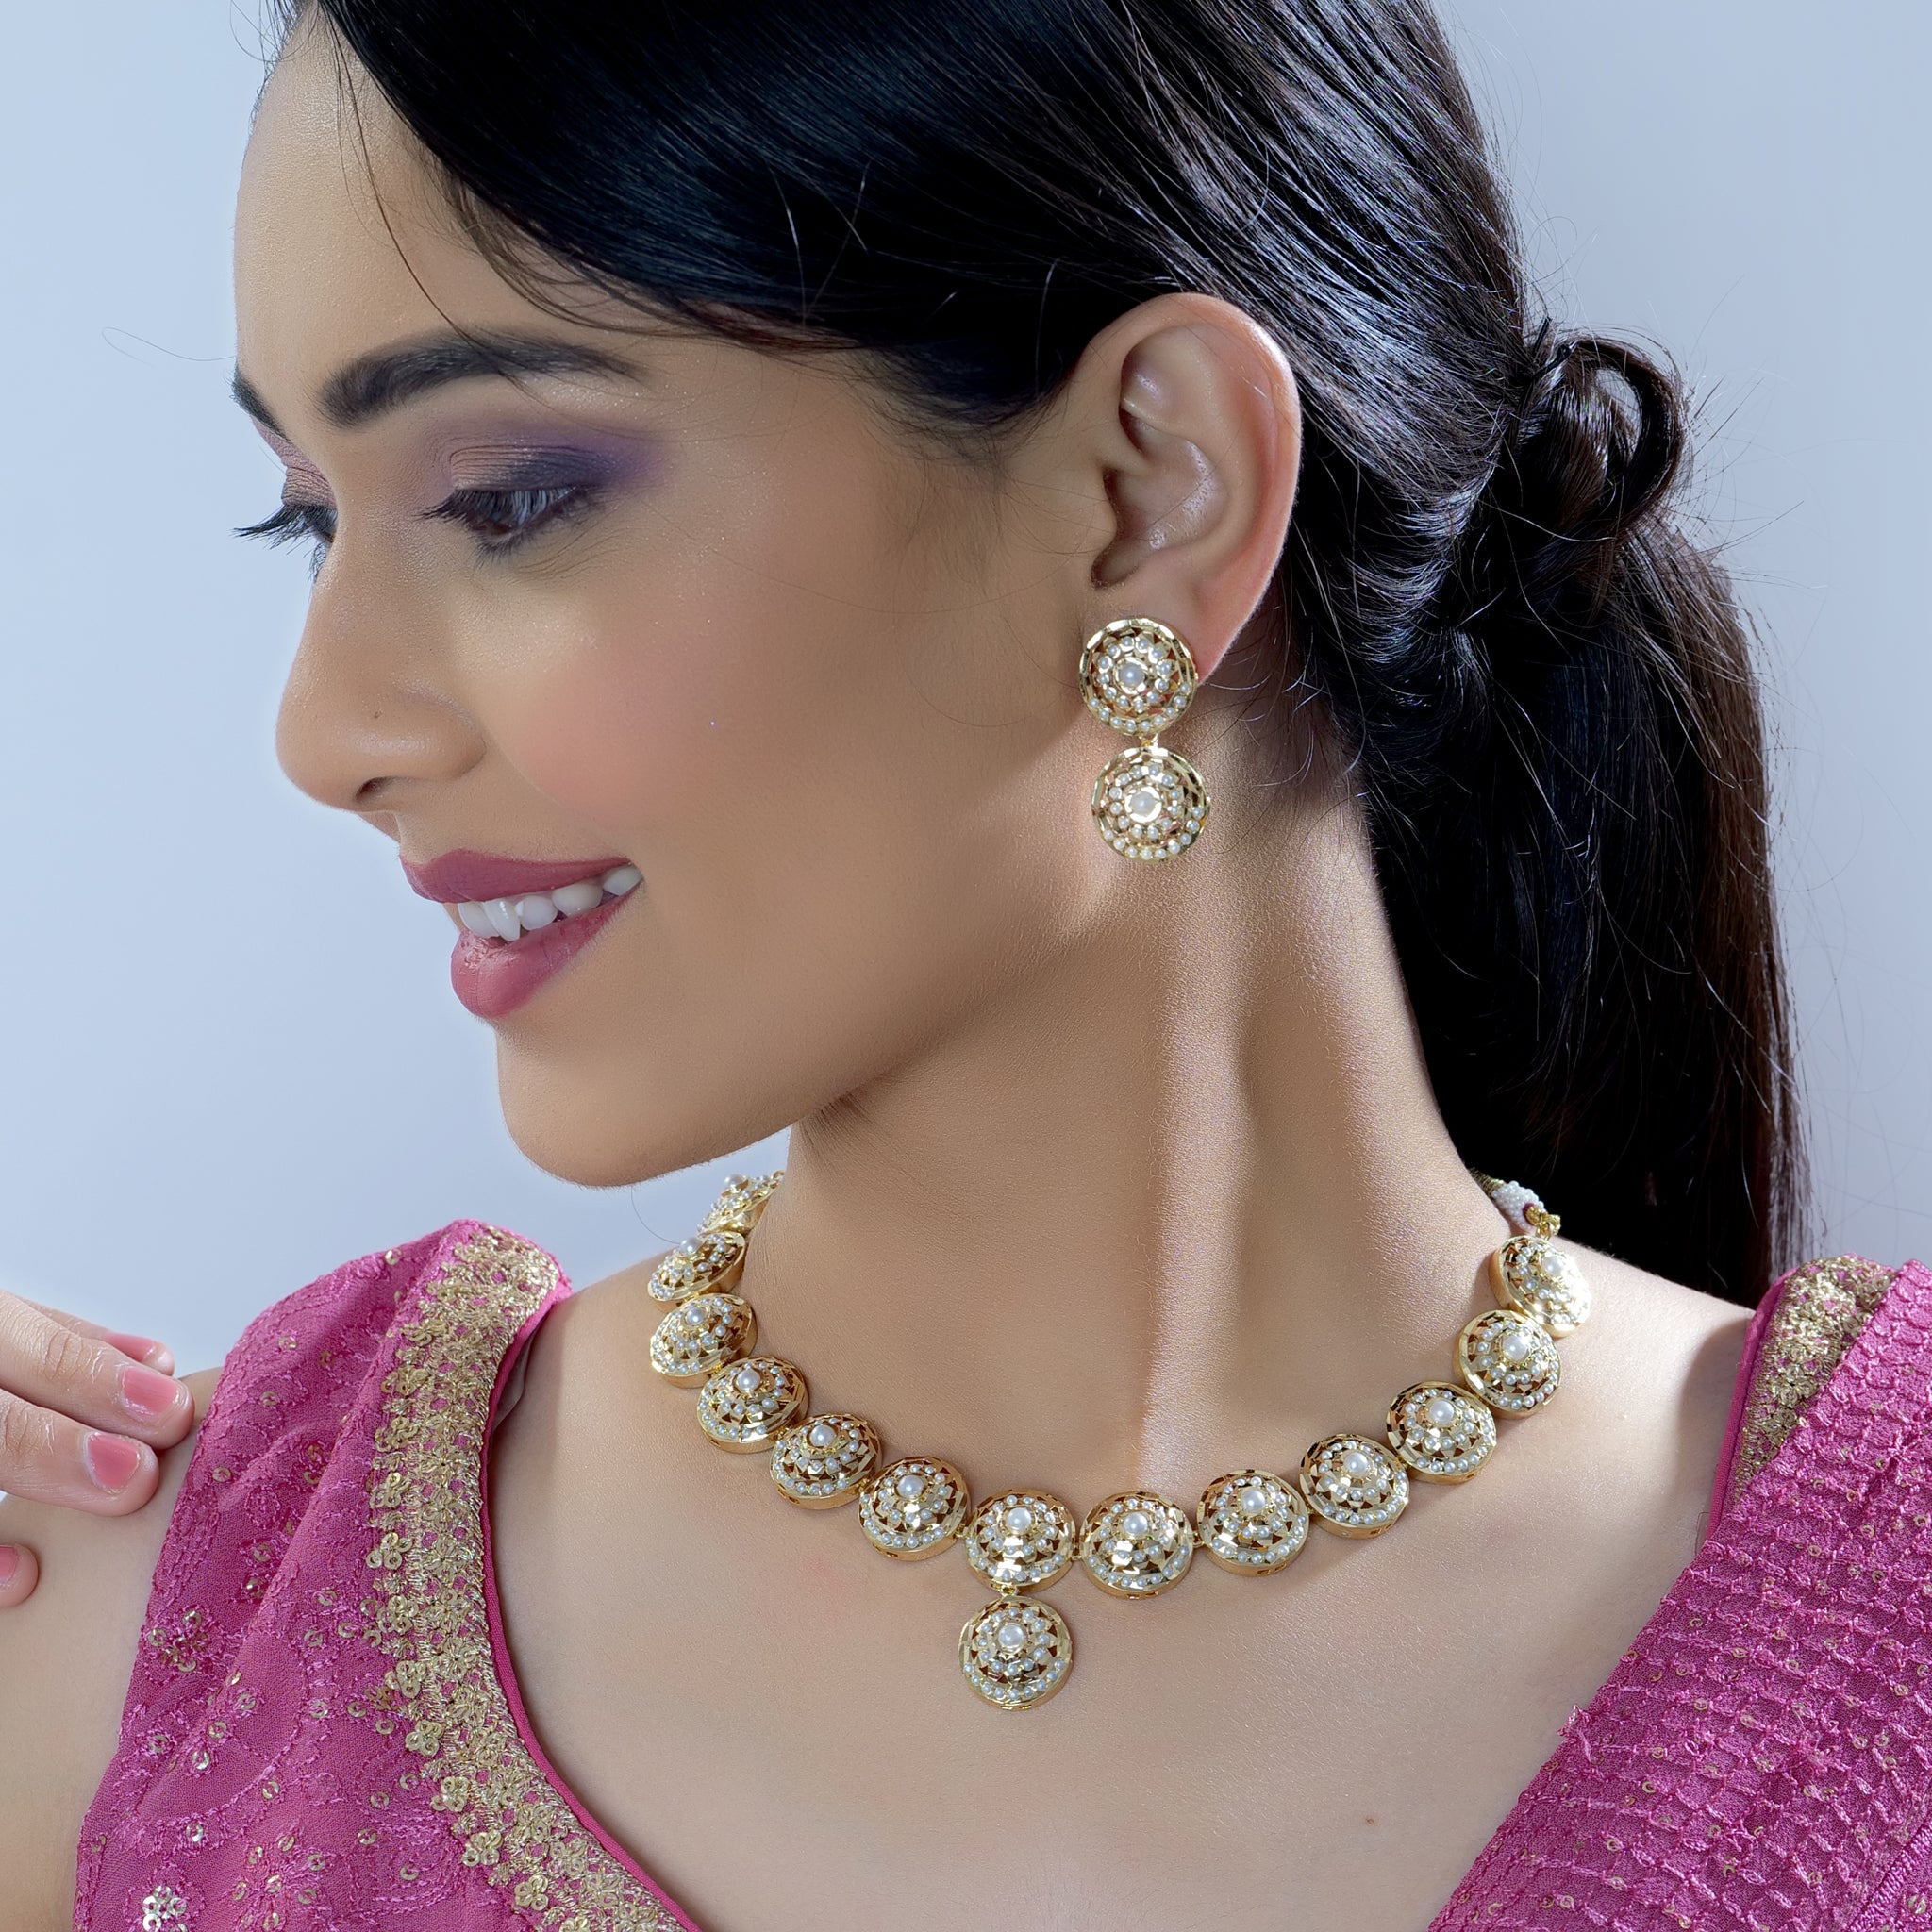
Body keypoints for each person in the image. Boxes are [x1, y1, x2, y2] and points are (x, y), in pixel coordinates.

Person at [5, 1, 1927, 1926]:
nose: (325, 732)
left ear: (1150, 490)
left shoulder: (1884, 1606)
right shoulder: (135, 1638)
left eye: (506, 498)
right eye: (309, 522)